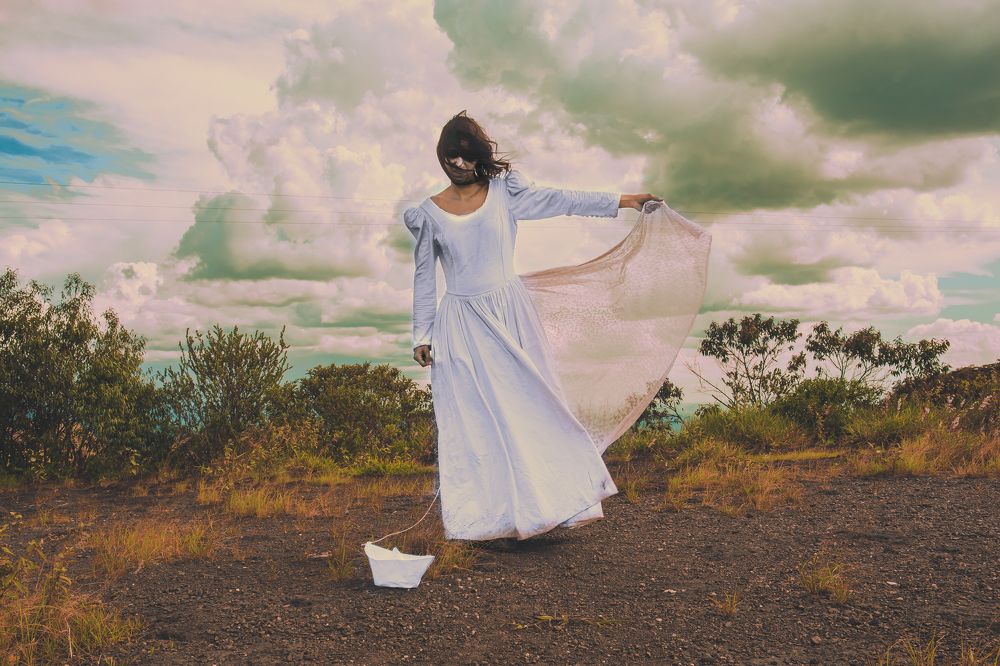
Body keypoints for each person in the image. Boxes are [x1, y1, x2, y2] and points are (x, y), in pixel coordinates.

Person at [404, 111, 664, 552]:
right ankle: (487, 522)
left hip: (509, 314)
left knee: (532, 408)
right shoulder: (428, 213)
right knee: (473, 421)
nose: (460, 165)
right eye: (452, 157)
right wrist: (421, 335)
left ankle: (546, 507)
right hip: (461, 325)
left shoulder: (507, 194)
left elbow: (563, 199)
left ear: (479, 158)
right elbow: (425, 278)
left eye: (467, 157)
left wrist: (624, 200)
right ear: (441, 158)